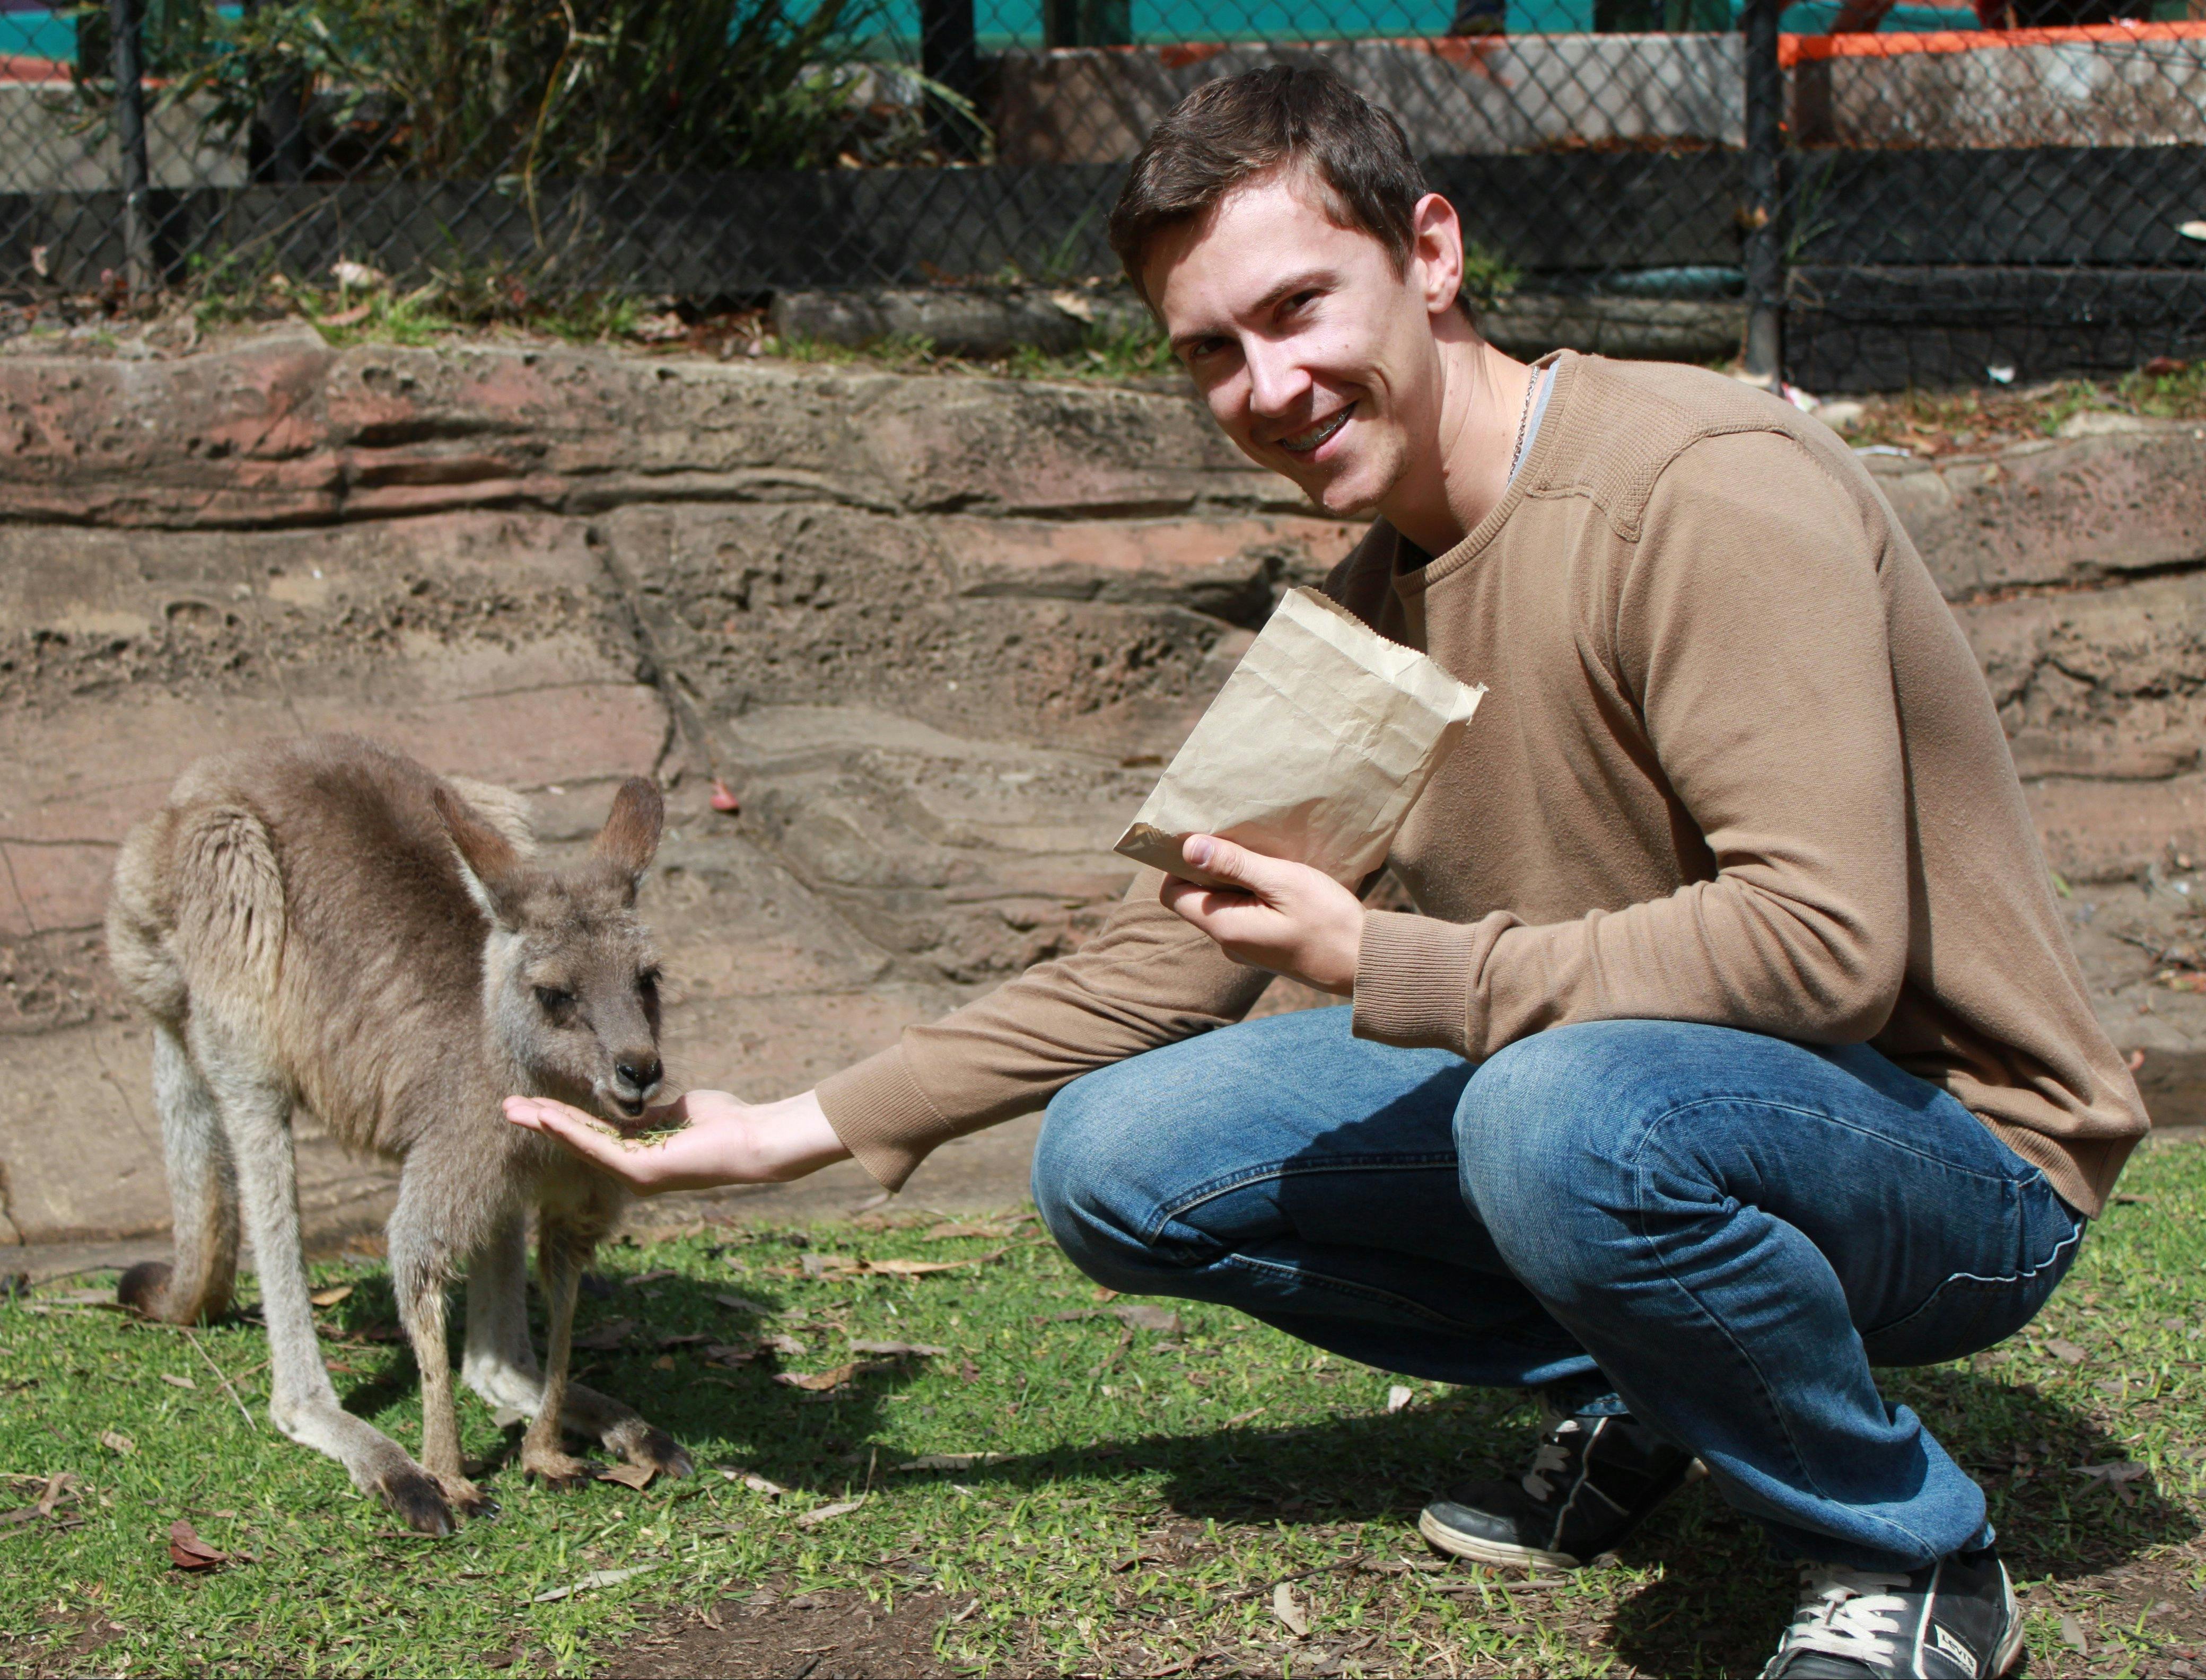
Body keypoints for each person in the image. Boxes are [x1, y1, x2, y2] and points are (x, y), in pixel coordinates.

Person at [507, 63, 2147, 1680]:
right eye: (1211, 350)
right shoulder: (1373, 610)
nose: (1267, 385)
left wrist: (1382, 956)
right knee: (1116, 1156)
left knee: (1549, 1115)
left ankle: (1905, 1554)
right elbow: (1154, 970)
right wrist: (787, 1128)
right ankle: (1667, 1377)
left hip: (1958, 1153)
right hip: (1636, 1102)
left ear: (1429, 252)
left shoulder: (1697, 487)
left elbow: (1823, 948)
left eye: (1298, 308)